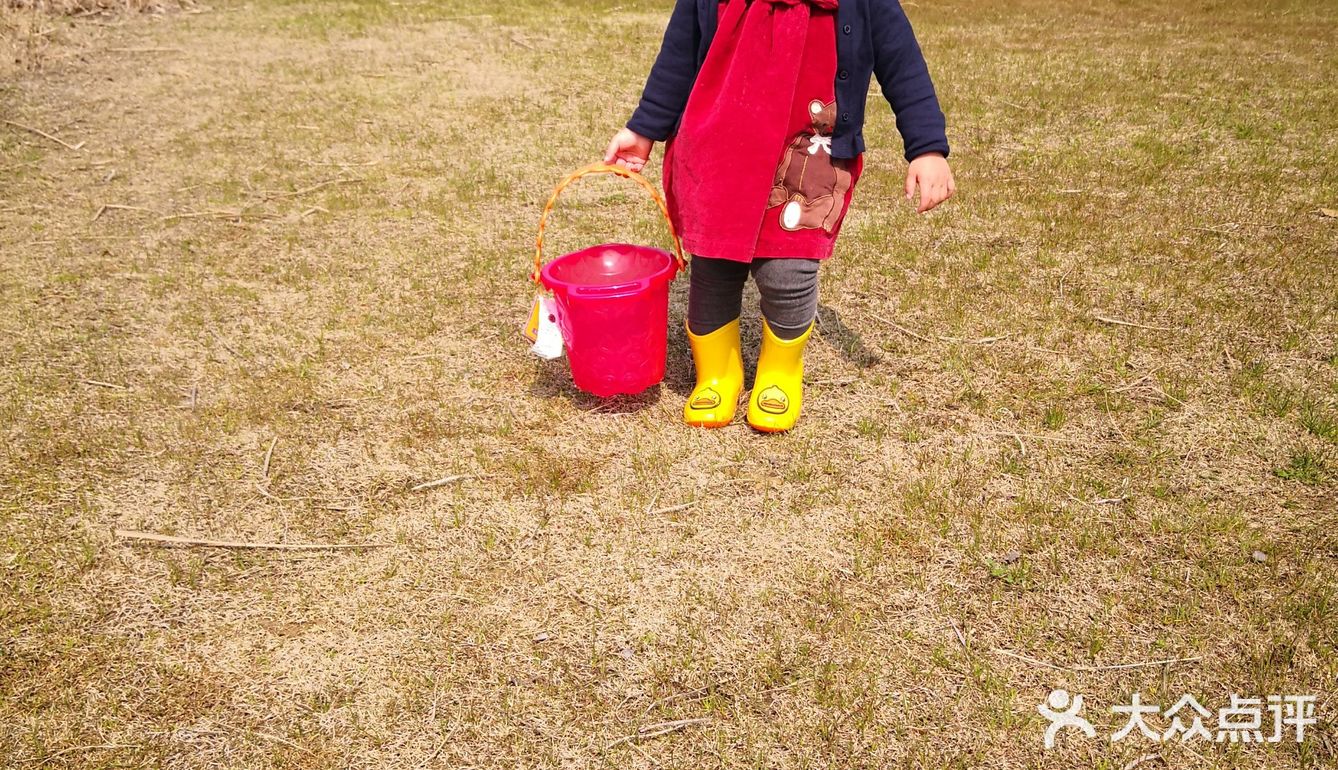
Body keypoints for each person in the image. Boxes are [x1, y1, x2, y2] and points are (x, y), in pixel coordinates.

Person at [605, 0, 955, 432]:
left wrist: (927, 148)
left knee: (788, 267)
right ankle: (718, 370)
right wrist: (643, 129)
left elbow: (903, 63)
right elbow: (678, 54)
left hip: (807, 151)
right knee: (715, 264)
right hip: (720, 145)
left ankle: (780, 368)